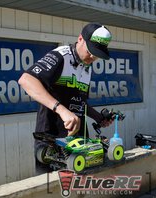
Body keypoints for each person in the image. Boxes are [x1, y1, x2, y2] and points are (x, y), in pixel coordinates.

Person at [18, 22, 114, 171]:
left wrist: (99, 118)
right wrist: (61, 110)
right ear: (80, 39)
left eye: (97, 54)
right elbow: (26, 80)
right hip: (53, 140)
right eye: (90, 51)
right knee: (52, 189)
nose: (92, 57)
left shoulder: (87, 67)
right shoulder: (60, 56)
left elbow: (79, 102)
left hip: (79, 141)